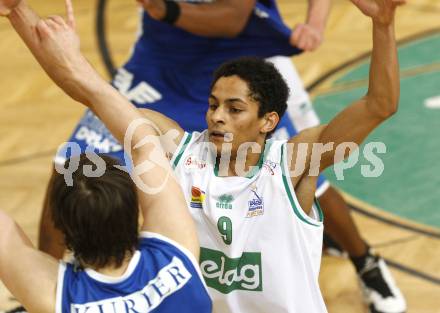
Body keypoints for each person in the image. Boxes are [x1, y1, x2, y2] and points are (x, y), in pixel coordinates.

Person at [1, 0, 405, 311]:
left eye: (233, 108)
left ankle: (365, 261)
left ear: (268, 121)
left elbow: (379, 106)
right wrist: (18, 9)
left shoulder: (292, 164)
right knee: (71, 166)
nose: (216, 117)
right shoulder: (178, 151)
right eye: (212, 104)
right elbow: (88, 88)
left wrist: (383, 25)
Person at [0, 1, 212, 312]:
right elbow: (141, 139)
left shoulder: (58, 298)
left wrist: (15, 10)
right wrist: (75, 63)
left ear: (63, 226)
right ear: (135, 207)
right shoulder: (177, 250)